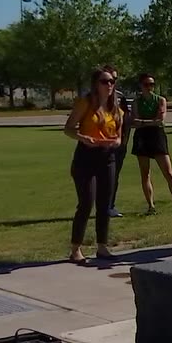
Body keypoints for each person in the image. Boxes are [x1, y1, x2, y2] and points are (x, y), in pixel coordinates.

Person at [63, 67, 123, 264]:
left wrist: (116, 142)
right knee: (86, 203)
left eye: (112, 81)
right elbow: (69, 129)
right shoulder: (85, 103)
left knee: (105, 204)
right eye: (105, 81)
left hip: (107, 157)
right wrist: (84, 138)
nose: (110, 85)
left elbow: (119, 136)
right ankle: (75, 249)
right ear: (95, 85)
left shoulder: (115, 107)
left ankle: (102, 246)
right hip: (85, 157)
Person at [130, 73, 172, 215]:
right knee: (145, 173)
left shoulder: (160, 100)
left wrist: (144, 122)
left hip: (157, 136)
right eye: (146, 84)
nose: (149, 87)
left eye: (152, 85)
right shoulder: (136, 102)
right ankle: (151, 206)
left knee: (168, 172)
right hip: (142, 137)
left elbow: (160, 120)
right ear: (141, 86)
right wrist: (150, 121)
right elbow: (135, 121)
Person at [103, 64, 132, 219]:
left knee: (114, 175)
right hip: (102, 144)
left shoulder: (120, 97)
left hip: (119, 144)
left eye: (114, 79)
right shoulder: (97, 97)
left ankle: (110, 205)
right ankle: (100, 205)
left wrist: (124, 140)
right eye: (108, 79)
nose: (111, 83)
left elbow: (126, 120)